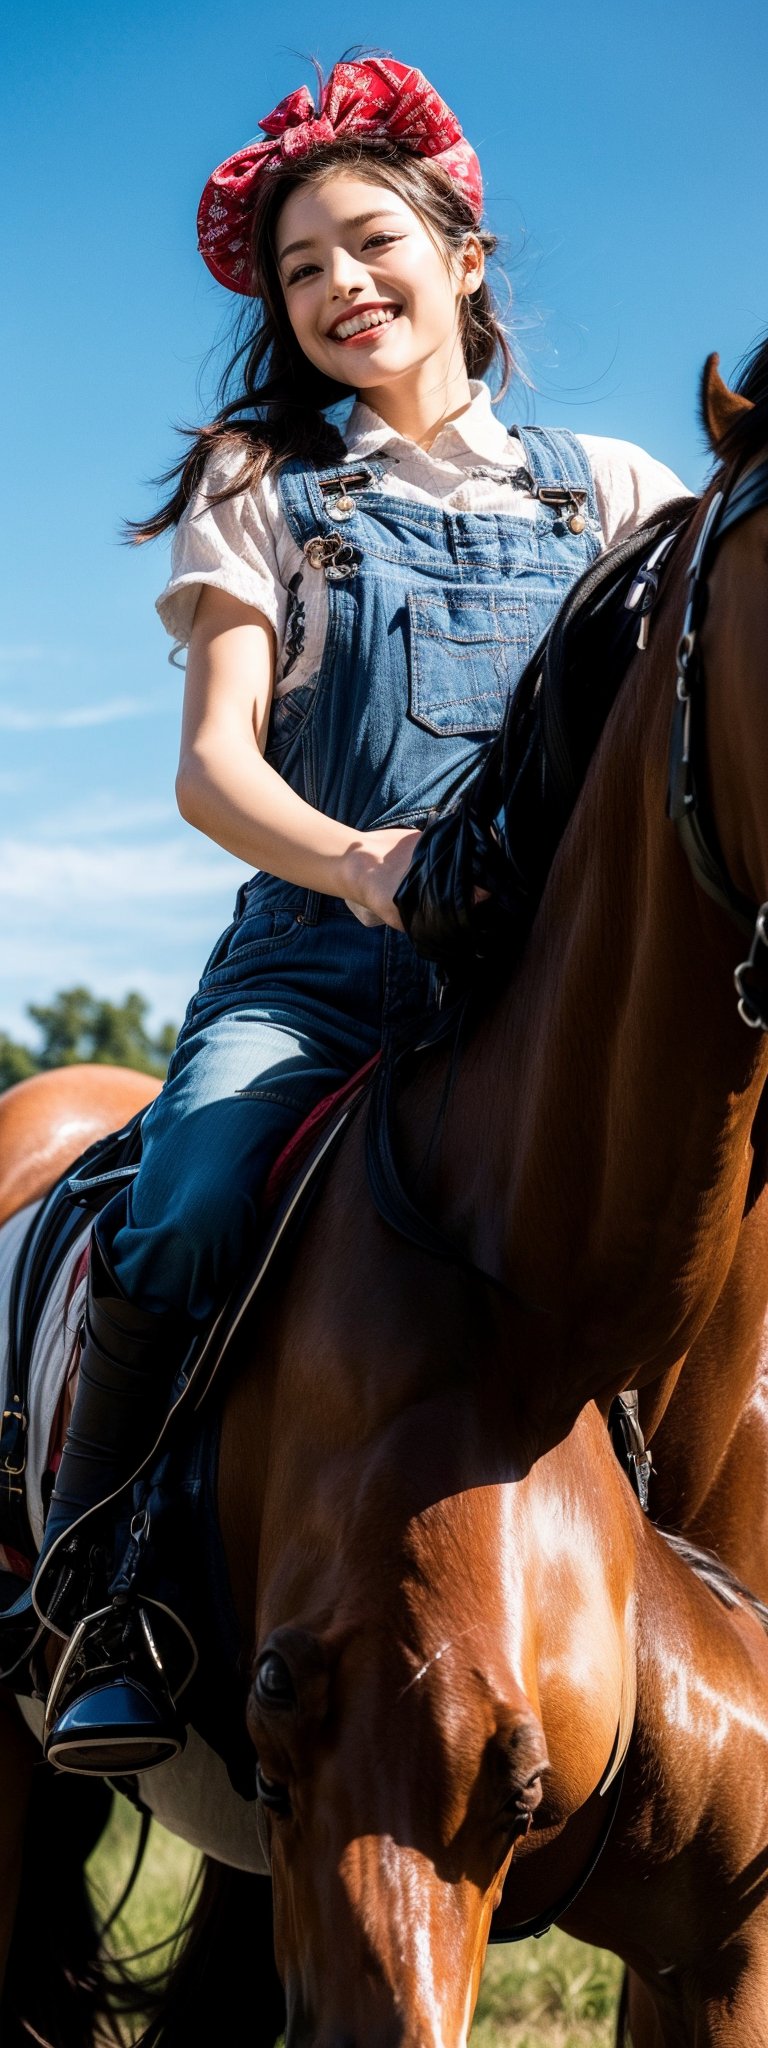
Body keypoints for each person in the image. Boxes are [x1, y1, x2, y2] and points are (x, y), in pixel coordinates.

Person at [5, 54, 688, 1772]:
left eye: (371, 245)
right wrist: (366, 863)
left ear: (465, 257)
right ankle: (106, 1590)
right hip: (317, 971)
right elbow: (214, 772)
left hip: (539, 999)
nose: (337, 289)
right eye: (302, 270)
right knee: (197, 1178)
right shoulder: (265, 487)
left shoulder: (611, 491)